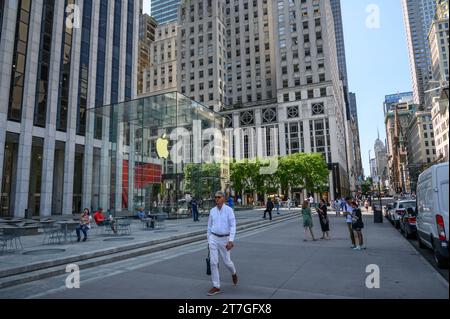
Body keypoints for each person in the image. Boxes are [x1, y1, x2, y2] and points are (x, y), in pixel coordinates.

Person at [206, 191, 238, 296]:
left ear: (223, 198)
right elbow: (209, 226)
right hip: (213, 238)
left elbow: (233, 225)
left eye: (218, 197)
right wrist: (209, 239)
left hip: (225, 239)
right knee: (213, 262)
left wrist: (231, 240)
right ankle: (216, 286)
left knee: (227, 262)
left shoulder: (229, 210)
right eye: (215, 197)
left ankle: (233, 273)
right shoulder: (212, 211)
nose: (216, 199)